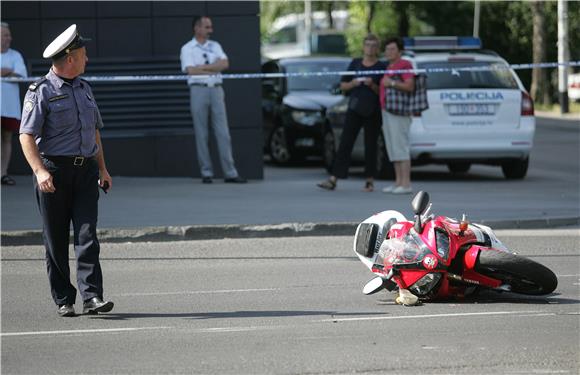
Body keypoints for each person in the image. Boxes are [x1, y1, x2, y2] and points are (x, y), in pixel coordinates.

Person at [19, 24, 114, 317]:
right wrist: (39, 171)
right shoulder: (41, 91)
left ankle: (92, 297)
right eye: (83, 55)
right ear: (70, 57)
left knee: (87, 236)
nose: (87, 60)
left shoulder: (85, 89)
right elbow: (26, 135)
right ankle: (64, 299)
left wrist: (103, 169)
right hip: (54, 172)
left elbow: (94, 133)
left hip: (85, 171)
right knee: (56, 239)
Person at [180, 16, 246, 184]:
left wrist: (202, 68)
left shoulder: (215, 46)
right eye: (207, 27)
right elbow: (190, 71)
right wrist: (212, 69)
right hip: (198, 90)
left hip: (216, 90)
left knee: (223, 133)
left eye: (210, 27)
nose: (211, 30)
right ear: (197, 28)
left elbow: (224, 64)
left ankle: (230, 173)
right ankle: (206, 172)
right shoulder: (187, 48)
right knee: (201, 133)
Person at [317, 34, 386, 192]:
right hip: (354, 108)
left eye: (373, 45)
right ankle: (333, 179)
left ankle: (369, 181)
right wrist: (354, 83)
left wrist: (372, 85)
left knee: (371, 145)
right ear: (363, 47)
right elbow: (343, 85)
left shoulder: (381, 66)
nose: (370, 48)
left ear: (377, 48)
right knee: (345, 143)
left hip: (373, 110)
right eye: (368, 45)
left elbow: (383, 90)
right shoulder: (355, 63)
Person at [379, 37, 415, 194]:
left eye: (392, 49)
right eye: (387, 49)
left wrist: (392, 83)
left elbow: (410, 85)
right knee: (392, 147)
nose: (389, 52)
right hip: (387, 110)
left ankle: (406, 184)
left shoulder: (405, 65)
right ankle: (398, 182)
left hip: (399, 111)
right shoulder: (390, 66)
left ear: (400, 51)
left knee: (401, 146)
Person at [1, 22, 28, 186]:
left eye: (8, 35)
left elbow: (21, 74)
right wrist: (6, 71)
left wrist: (6, 71)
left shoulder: (15, 55)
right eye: (5, 35)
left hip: (9, 108)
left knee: (6, 139)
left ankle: (2, 174)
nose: (9, 38)